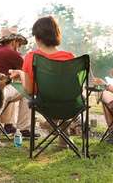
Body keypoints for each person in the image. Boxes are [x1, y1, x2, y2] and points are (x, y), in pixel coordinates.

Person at [10, 16, 76, 148]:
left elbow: (29, 90)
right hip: (70, 104)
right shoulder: (69, 57)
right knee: (62, 99)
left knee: (36, 100)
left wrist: (21, 73)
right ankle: (62, 138)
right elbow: (74, 86)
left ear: (37, 37)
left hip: (45, 104)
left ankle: (50, 122)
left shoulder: (31, 57)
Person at [0, 28, 39, 138]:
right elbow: (30, 71)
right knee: (26, 89)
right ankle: (24, 129)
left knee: (11, 85)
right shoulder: (10, 52)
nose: (19, 47)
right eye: (19, 43)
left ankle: (9, 125)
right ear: (13, 42)